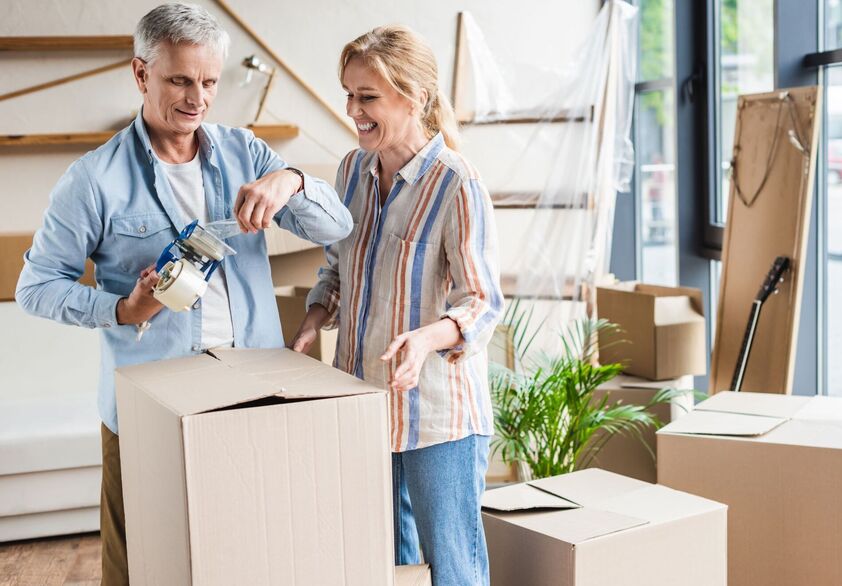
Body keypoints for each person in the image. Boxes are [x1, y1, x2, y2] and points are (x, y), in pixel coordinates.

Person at [15, 4, 351, 584]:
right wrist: (122, 308)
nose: (197, 98)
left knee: (253, 555)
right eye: (180, 80)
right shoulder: (93, 180)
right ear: (141, 74)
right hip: (151, 405)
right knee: (142, 566)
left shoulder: (246, 152)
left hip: (253, 392)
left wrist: (291, 179)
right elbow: (35, 288)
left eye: (210, 82)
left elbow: (335, 227)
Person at [292, 25, 502, 586]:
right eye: (349, 94)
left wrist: (427, 338)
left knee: (452, 572)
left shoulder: (458, 184)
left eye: (368, 97)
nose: (353, 111)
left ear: (414, 98)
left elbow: (482, 302)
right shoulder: (351, 171)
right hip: (363, 405)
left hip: (437, 418)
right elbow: (338, 266)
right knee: (382, 567)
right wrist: (316, 315)